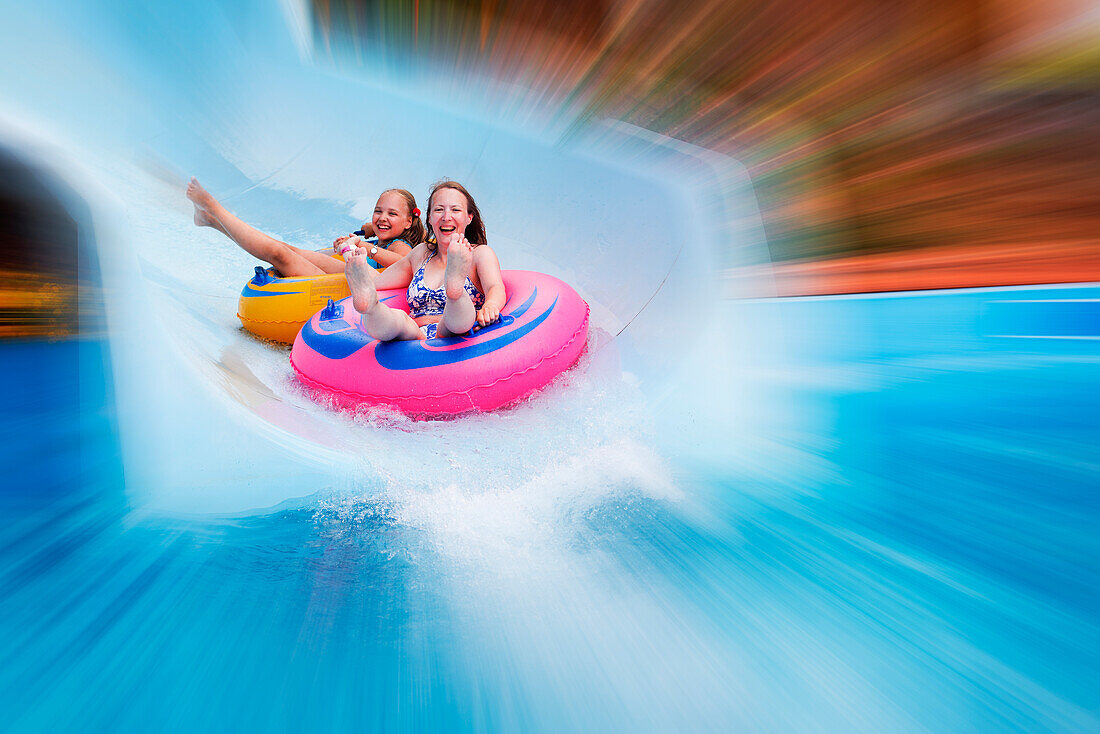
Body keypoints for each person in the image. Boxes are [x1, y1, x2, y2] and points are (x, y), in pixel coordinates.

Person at [344, 180, 506, 340]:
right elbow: (379, 282)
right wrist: (351, 255)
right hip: (417, 336)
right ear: (429, 217)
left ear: (469, 217)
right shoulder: (421, 253)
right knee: (399, 320)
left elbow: (494, 287)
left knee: (452, 320)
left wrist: (490, 306)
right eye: (439, 209)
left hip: (457, 333)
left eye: (455, 210)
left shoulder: (479, 254)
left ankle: (455, 291)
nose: (446, 217)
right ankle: (371, 307)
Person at [186, 178, 422, 276]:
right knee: (287, 248)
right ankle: (212, 220)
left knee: (279, 253)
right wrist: (367, 231)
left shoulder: (402, 245)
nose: (383, 218)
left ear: (409, 221)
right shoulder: (384, 234)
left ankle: (216, 211)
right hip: (339, 276)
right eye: (378, 211)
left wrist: (364, 246)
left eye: (392, 214)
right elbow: (368, 226)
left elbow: (405, 265)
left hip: (345, 287)